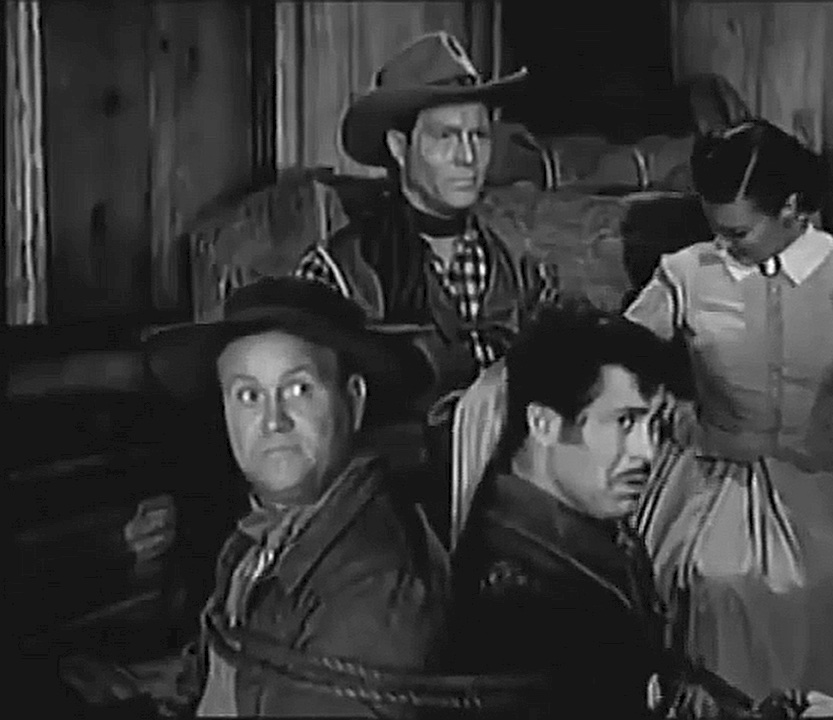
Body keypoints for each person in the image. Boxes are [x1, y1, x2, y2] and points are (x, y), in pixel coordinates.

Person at [623, 119, 833, 711]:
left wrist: (805, 433)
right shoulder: (687, 273)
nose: (723, 245)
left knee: (828, 589)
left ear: (791, 209)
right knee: (717, 583)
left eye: (738, 232)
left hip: (819, 487)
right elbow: (615, 359)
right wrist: (678, 417)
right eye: (715, 229)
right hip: (712, 478)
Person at [140, 276, 449, 717]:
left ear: (353, 401)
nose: (273, 420)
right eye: (249, 395)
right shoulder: (259, 539)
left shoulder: (375, 580)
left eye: (299, 389)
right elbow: (206, 680)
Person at [448, 301, 756, 719]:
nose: (648, 451)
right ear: (544, 423)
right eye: (625, 422)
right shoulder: (516, 589)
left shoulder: (592, 534)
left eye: (653, 426)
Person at [294, 31, 559, 397]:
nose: (467, 158)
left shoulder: (523, 267)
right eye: (446, 137)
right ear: (399, 147)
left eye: (478, 136)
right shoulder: (338, 273)